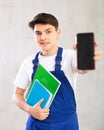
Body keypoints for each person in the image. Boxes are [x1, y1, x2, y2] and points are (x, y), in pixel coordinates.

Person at [12, 13, 102, 130]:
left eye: (48, 32)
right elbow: (16, 95)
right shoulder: (28, 62)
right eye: (38, 33)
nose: (43, 37)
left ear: (58, 33)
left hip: (66, 125)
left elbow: (82, 69)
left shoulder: (70, 57)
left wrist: (86, 58)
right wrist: (30, 110)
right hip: (36, 125)